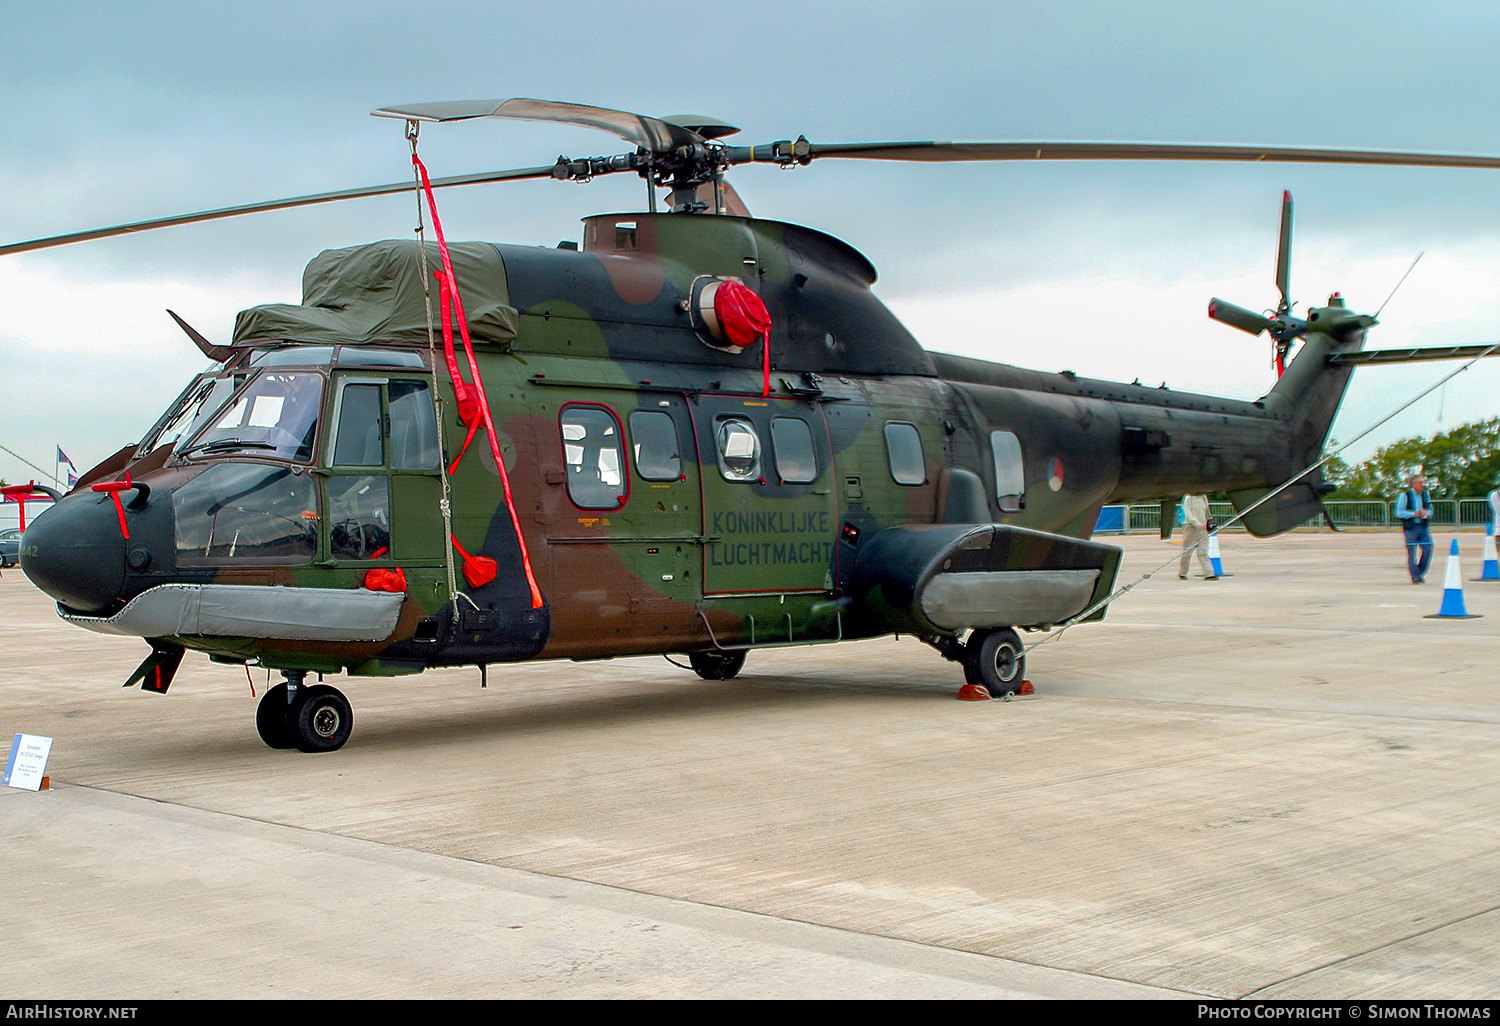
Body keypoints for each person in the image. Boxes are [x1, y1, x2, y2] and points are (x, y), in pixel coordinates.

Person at [1395, 473, 1434, 583]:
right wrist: (1413, 514)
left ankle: (1419, 572)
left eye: (1423, 482)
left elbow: (1430, 509)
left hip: (1423, 526)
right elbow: (1399, 512)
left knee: (1428, 549)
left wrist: (1427, 513)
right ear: (1413, 484)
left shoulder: (1425, 495)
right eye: (1420, 482)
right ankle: (1415, 576)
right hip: (1410, 528)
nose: (1423, 485)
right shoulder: (1404, 495)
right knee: (1412, 552)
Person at [1179, 493, 1217, 580]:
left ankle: (1209, 574)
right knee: (1187, 552)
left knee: (1203, 552)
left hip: (1203, 529)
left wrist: (1209, 523)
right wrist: (1197, 524)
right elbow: (1187, 513)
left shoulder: (1203, 497)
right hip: (1191, 528)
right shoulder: (1189, 497)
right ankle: (1183, 572)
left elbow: (1207, 512)